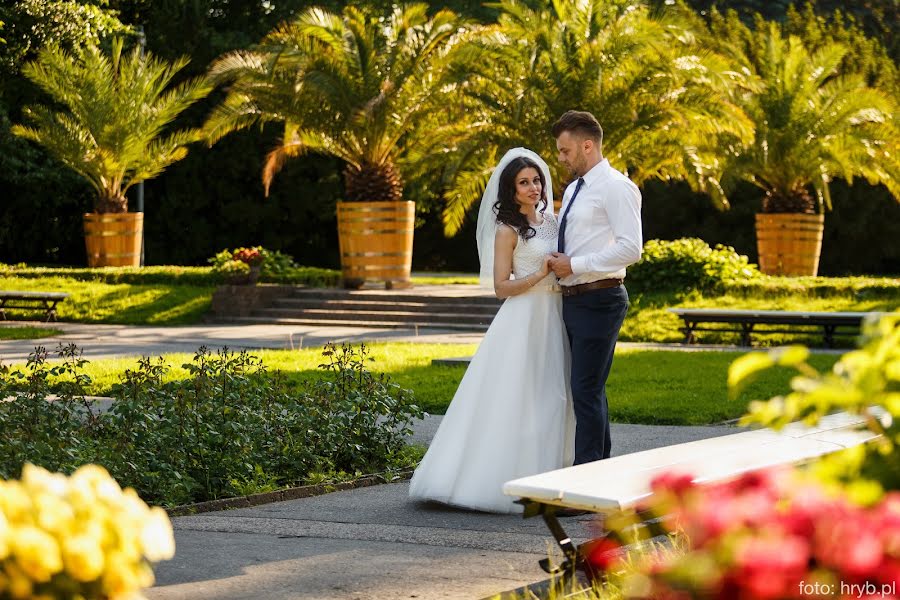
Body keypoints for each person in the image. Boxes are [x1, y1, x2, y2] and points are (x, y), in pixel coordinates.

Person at [408, 148, 575, 514]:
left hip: (556, 315)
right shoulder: (507, 229)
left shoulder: (553, 220)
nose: (533, 187)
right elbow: (501, 287)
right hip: (525, 316)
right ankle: (494, 480)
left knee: (554, 394)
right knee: (517, 395)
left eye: (536, 180)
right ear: (511, 190)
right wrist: (540, 274)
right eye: (524, 182)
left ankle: (552, 477)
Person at [548, 110, 643, 465]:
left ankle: (584, 479)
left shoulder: (617, 187)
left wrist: (574, 264)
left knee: (585, 390)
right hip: (573, 300)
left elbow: (631, 248)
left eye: (566, 150)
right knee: (588, 390)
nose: (561, 158)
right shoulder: (574, 188)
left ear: (588, 145)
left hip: (601, 297)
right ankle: (597, 472)